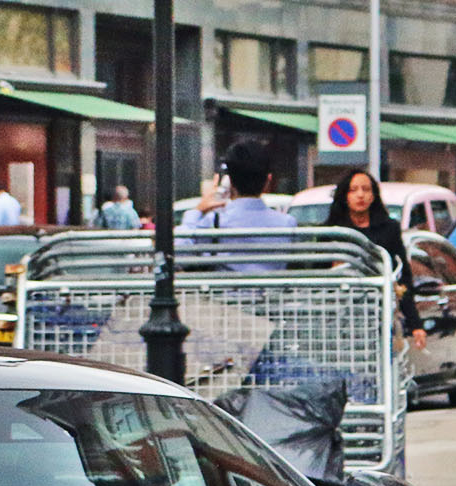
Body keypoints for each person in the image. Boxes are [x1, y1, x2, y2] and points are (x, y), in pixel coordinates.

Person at [323, 170, 427, 354]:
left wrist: (415, 323)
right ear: (344, 196)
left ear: (374, 196)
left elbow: (403, 279)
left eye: (366, 189)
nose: (360, 195)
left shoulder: (389, 229)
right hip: (336, 317)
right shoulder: (331, 232)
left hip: (379, 316)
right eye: (353, 190)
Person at [179, 139, 295, 273]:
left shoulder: (215, 222)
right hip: (273, 293)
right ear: (268, 181)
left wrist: (197, 211)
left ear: (230, 181)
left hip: (227, 293)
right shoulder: (287, 223)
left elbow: (178, 253)